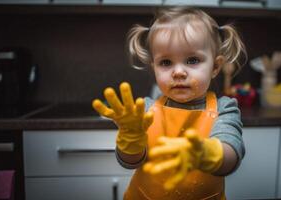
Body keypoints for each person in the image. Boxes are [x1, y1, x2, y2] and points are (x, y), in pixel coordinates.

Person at [92, 7, 246, 200]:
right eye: (166, 62)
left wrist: (206, 154)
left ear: (215, 66)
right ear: (154, 67)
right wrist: (130, 139)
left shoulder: (225, 109)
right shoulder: (146, 109)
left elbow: (232, 155)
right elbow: (130, 162)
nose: (178, 72)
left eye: (192, 60)